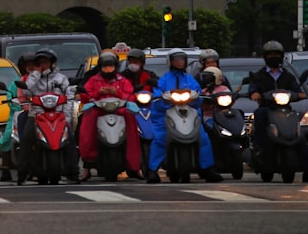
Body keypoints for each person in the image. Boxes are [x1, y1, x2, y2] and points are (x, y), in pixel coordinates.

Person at [147, 50, 223, 184]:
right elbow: (157, 97)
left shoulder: (190, 80)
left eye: (182, 59)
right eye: (176, 59)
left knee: (203, 137)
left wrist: (197, 99)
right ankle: (152, 170)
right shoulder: (163, 80)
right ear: (170, 62)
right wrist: (163, 101)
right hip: (166, 115)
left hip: (188, 115)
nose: (179, 62)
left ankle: (208, 169)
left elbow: (198, 95)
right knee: (160, 138)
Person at [248, 41, 308, 184]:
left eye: (276, 55)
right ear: (266, 57)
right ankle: (260, 146)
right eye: (271, 55)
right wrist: (255, 93)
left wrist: (300, 95)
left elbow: (297, 90)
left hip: (285, 110)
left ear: (281, 57)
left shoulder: (288, 76)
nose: (274, 57)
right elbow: (253, 89)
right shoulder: (259, 76)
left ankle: (307, 171)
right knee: (260, 113)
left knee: (300, 136)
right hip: (268, 108)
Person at [16, 48, 80, 185]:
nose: (42, 65)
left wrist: (67, 119)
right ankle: (22, 173)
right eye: (40, 63)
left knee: (70, 139)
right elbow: (27, 91)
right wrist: (36, 74)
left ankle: (73, 172)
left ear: (52, 63)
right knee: (26, 140)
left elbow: (69, 98)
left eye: (45, 62)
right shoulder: (34, 78)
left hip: (58, 116)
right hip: (36, 115)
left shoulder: (61, 79)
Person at [77, 51, 141, 180]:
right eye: (105, 66)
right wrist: (97, 93)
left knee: (132, 121)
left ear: (115, 67)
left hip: (119, 111)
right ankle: (87, 165)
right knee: (86, 127)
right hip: (99, 111)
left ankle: (134, 166)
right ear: (100, 67)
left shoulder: (122, 80)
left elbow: (130, 95)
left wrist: (117, 92)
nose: (108, 69)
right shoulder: (93, 80)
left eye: (110, 66)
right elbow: (85, 95)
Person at [0, 52, 37, 182]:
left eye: (33, 65)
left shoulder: (41, 80)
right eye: (28, 65)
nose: (31, 67)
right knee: (6, 138)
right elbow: (11, 98)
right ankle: (5, 168)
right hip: (17, 114)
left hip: (38, 113)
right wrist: (19, 107)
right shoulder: (17, 83)